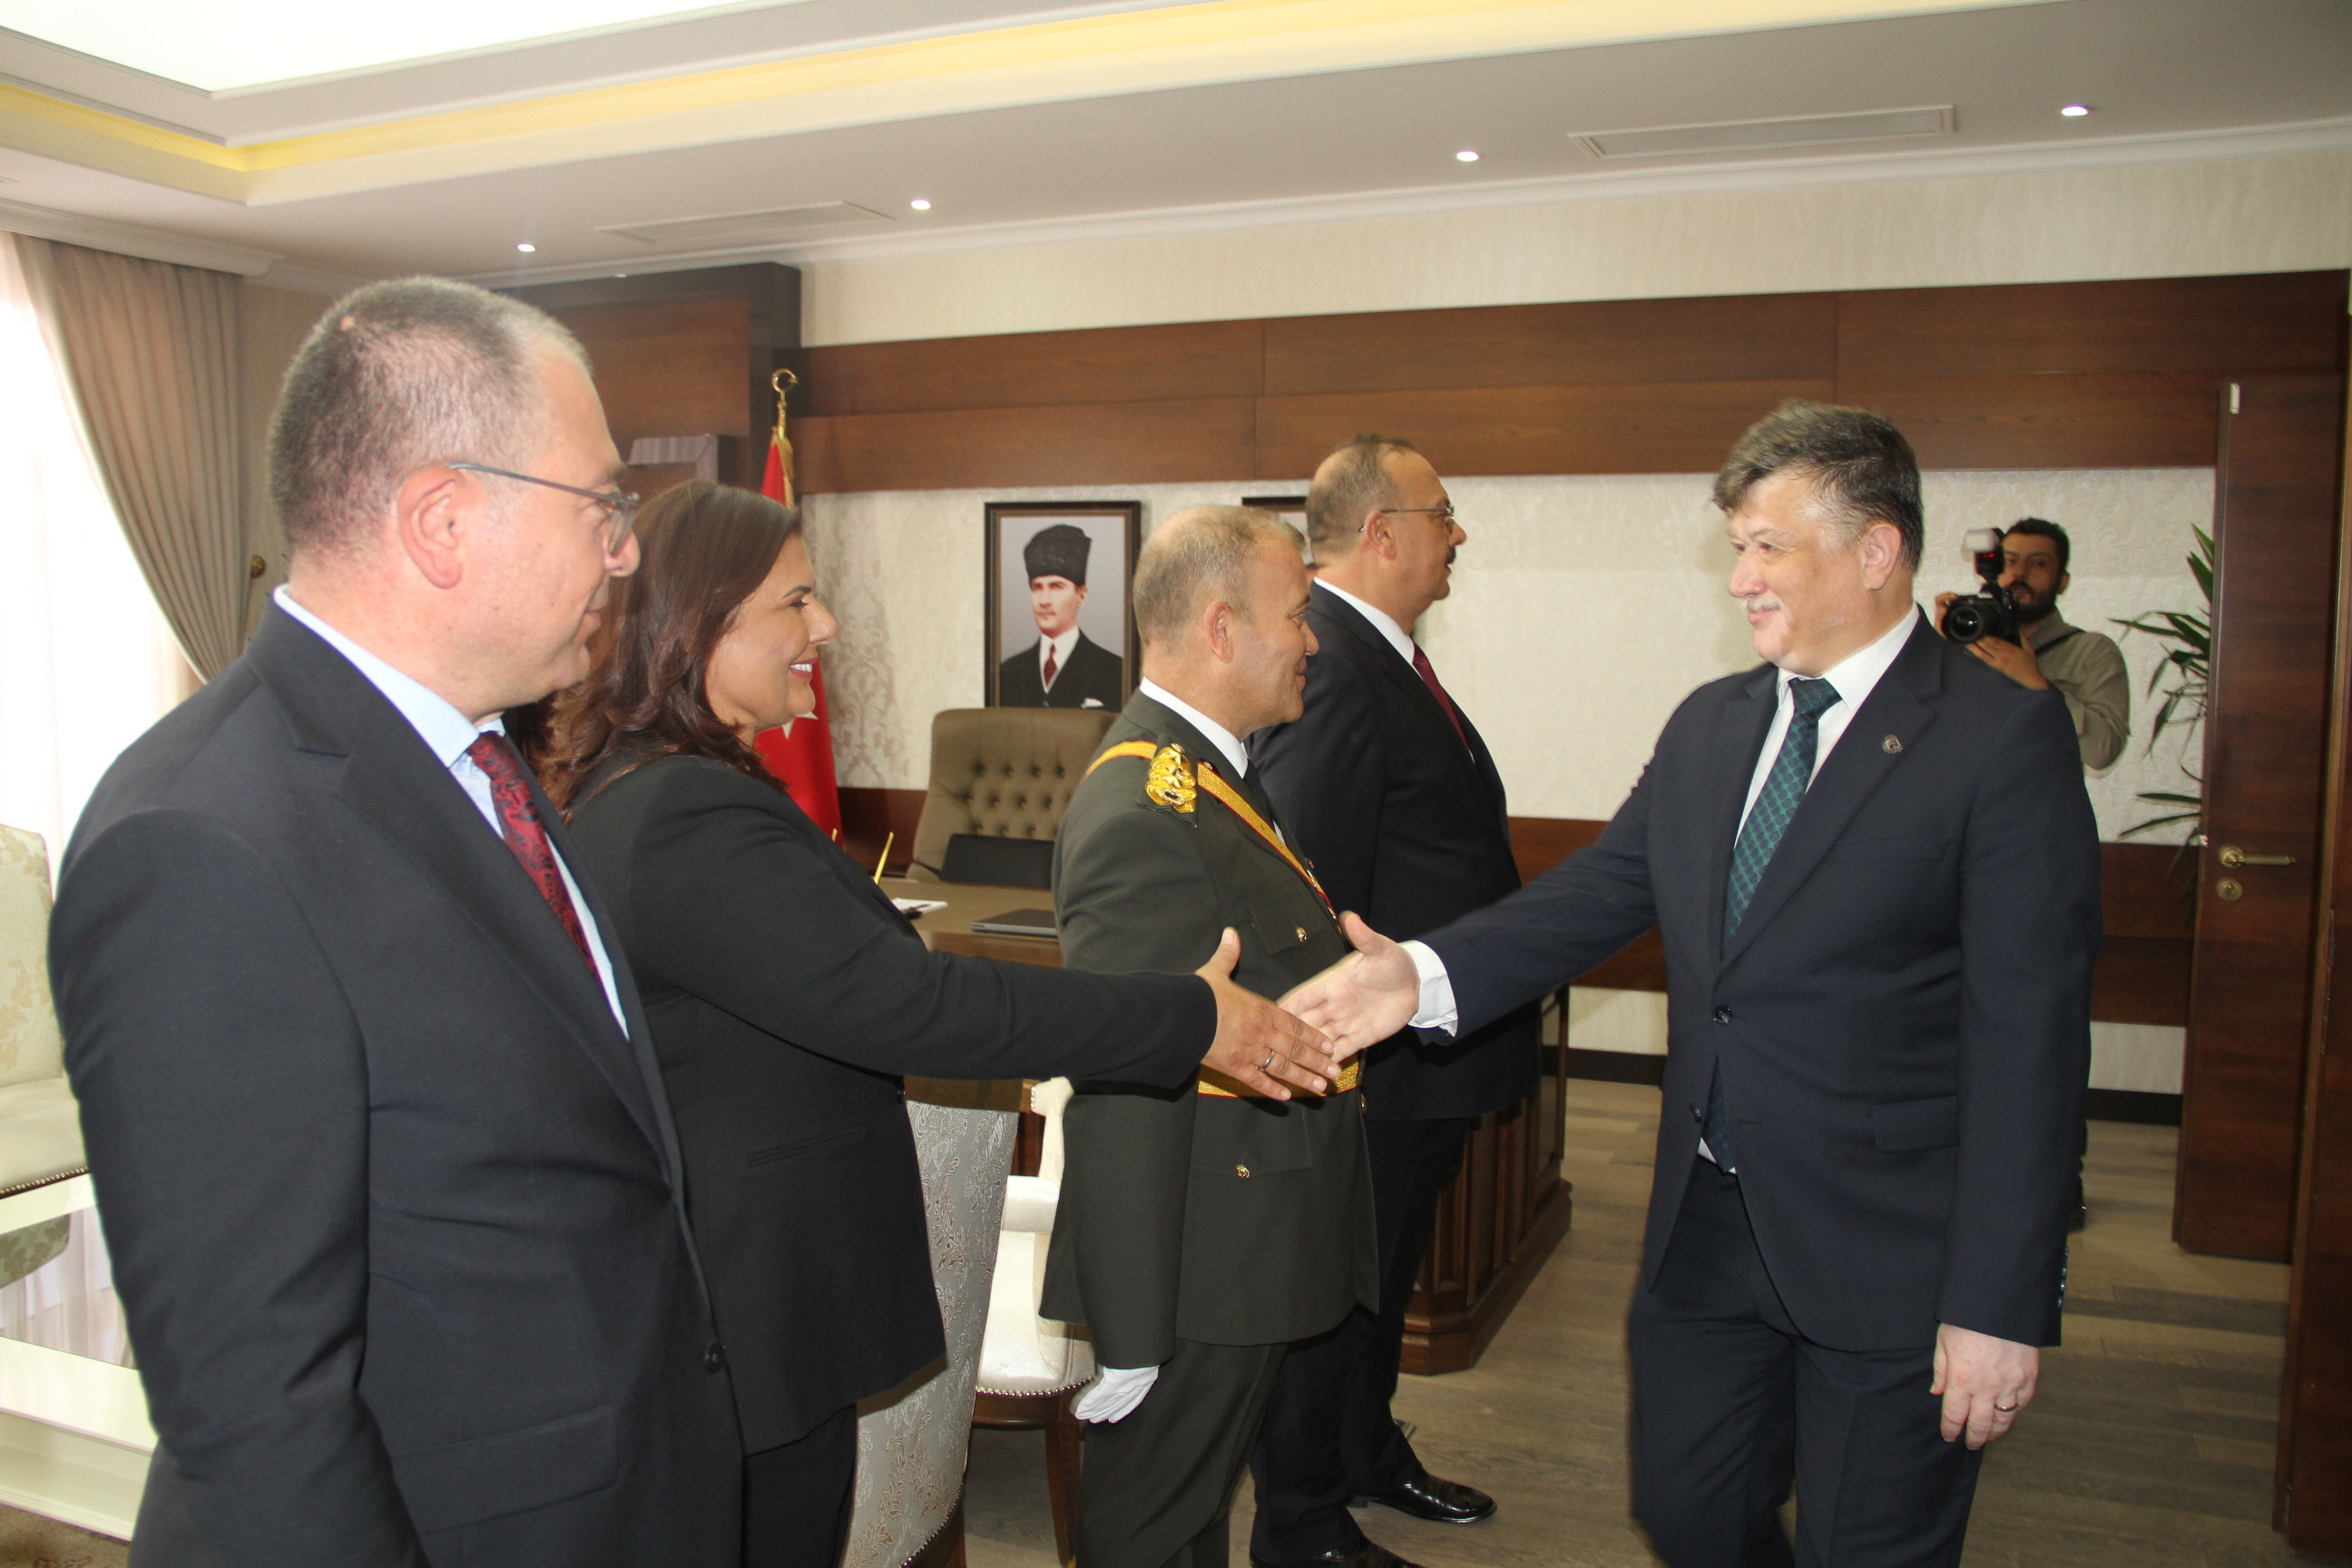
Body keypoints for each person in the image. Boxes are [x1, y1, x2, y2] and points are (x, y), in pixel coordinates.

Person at [1286, 402, 2101, 1568]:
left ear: (1877, 550)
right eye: (1738, 546)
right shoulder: (1717, 724)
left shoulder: (2000, 740)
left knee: (1872, 1546)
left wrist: (1998, 1302)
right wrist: (1420, 979)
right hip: (1708, 1231)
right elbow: (1601, 892)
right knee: (1686, 1512)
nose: (1740, 579)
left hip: (1894, 1257)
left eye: (1769, 547)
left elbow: (2031, 1044)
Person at [47, 279, 743, 1565]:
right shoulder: (200, 842)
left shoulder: (479, 758)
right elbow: (258, 1412)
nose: (625, 552)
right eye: (603, 505)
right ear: (442, 520)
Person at [541, 481, 1346, 1568]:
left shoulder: (672, 789)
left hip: (760, 1312)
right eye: (797, 601)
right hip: (747, 1318)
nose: (826, 627)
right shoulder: (682, 814)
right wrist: (1187, 1015)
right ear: (702, 622)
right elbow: (915, 1007)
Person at [1044, 505, 1381, 1568]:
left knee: (1189, 1530)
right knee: (1144, 1534)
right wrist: (1133, 1327)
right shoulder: (1144, 807)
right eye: (1298, 615)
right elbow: (1126, 1075)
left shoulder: (1208, 771)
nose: (1313, 641)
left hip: (1241, 1245)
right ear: (1222, 628)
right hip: (1196, 1266)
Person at [1245, 436, 1524, 1568]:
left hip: (1421, 1048)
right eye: (1443, 513)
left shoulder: (1383, 655)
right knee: (1336, 1296)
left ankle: (1365, 1451)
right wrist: (1335, 1066)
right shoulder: (1332, 662)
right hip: (1372, 1062)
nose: (1458, 534)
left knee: (1384, 1280)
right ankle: (1301, 1520)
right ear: (1381, 532)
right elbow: (1312, 884)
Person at [1936, 517, 2131, 769]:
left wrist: (2036, 684)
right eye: (2010, 561)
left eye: (2038, 563)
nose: (2020, 573)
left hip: (2040, 792)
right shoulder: (1965, 646)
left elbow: (2103, 752)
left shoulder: (2090, 650)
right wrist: (1937, 648)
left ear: (2062, 582)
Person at [999, 522, 1126, 709]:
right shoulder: (1009, 672)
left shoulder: (1114, 670)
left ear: (1081, 595)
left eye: (1056, 587)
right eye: (1037, 587)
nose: (1044, 600)